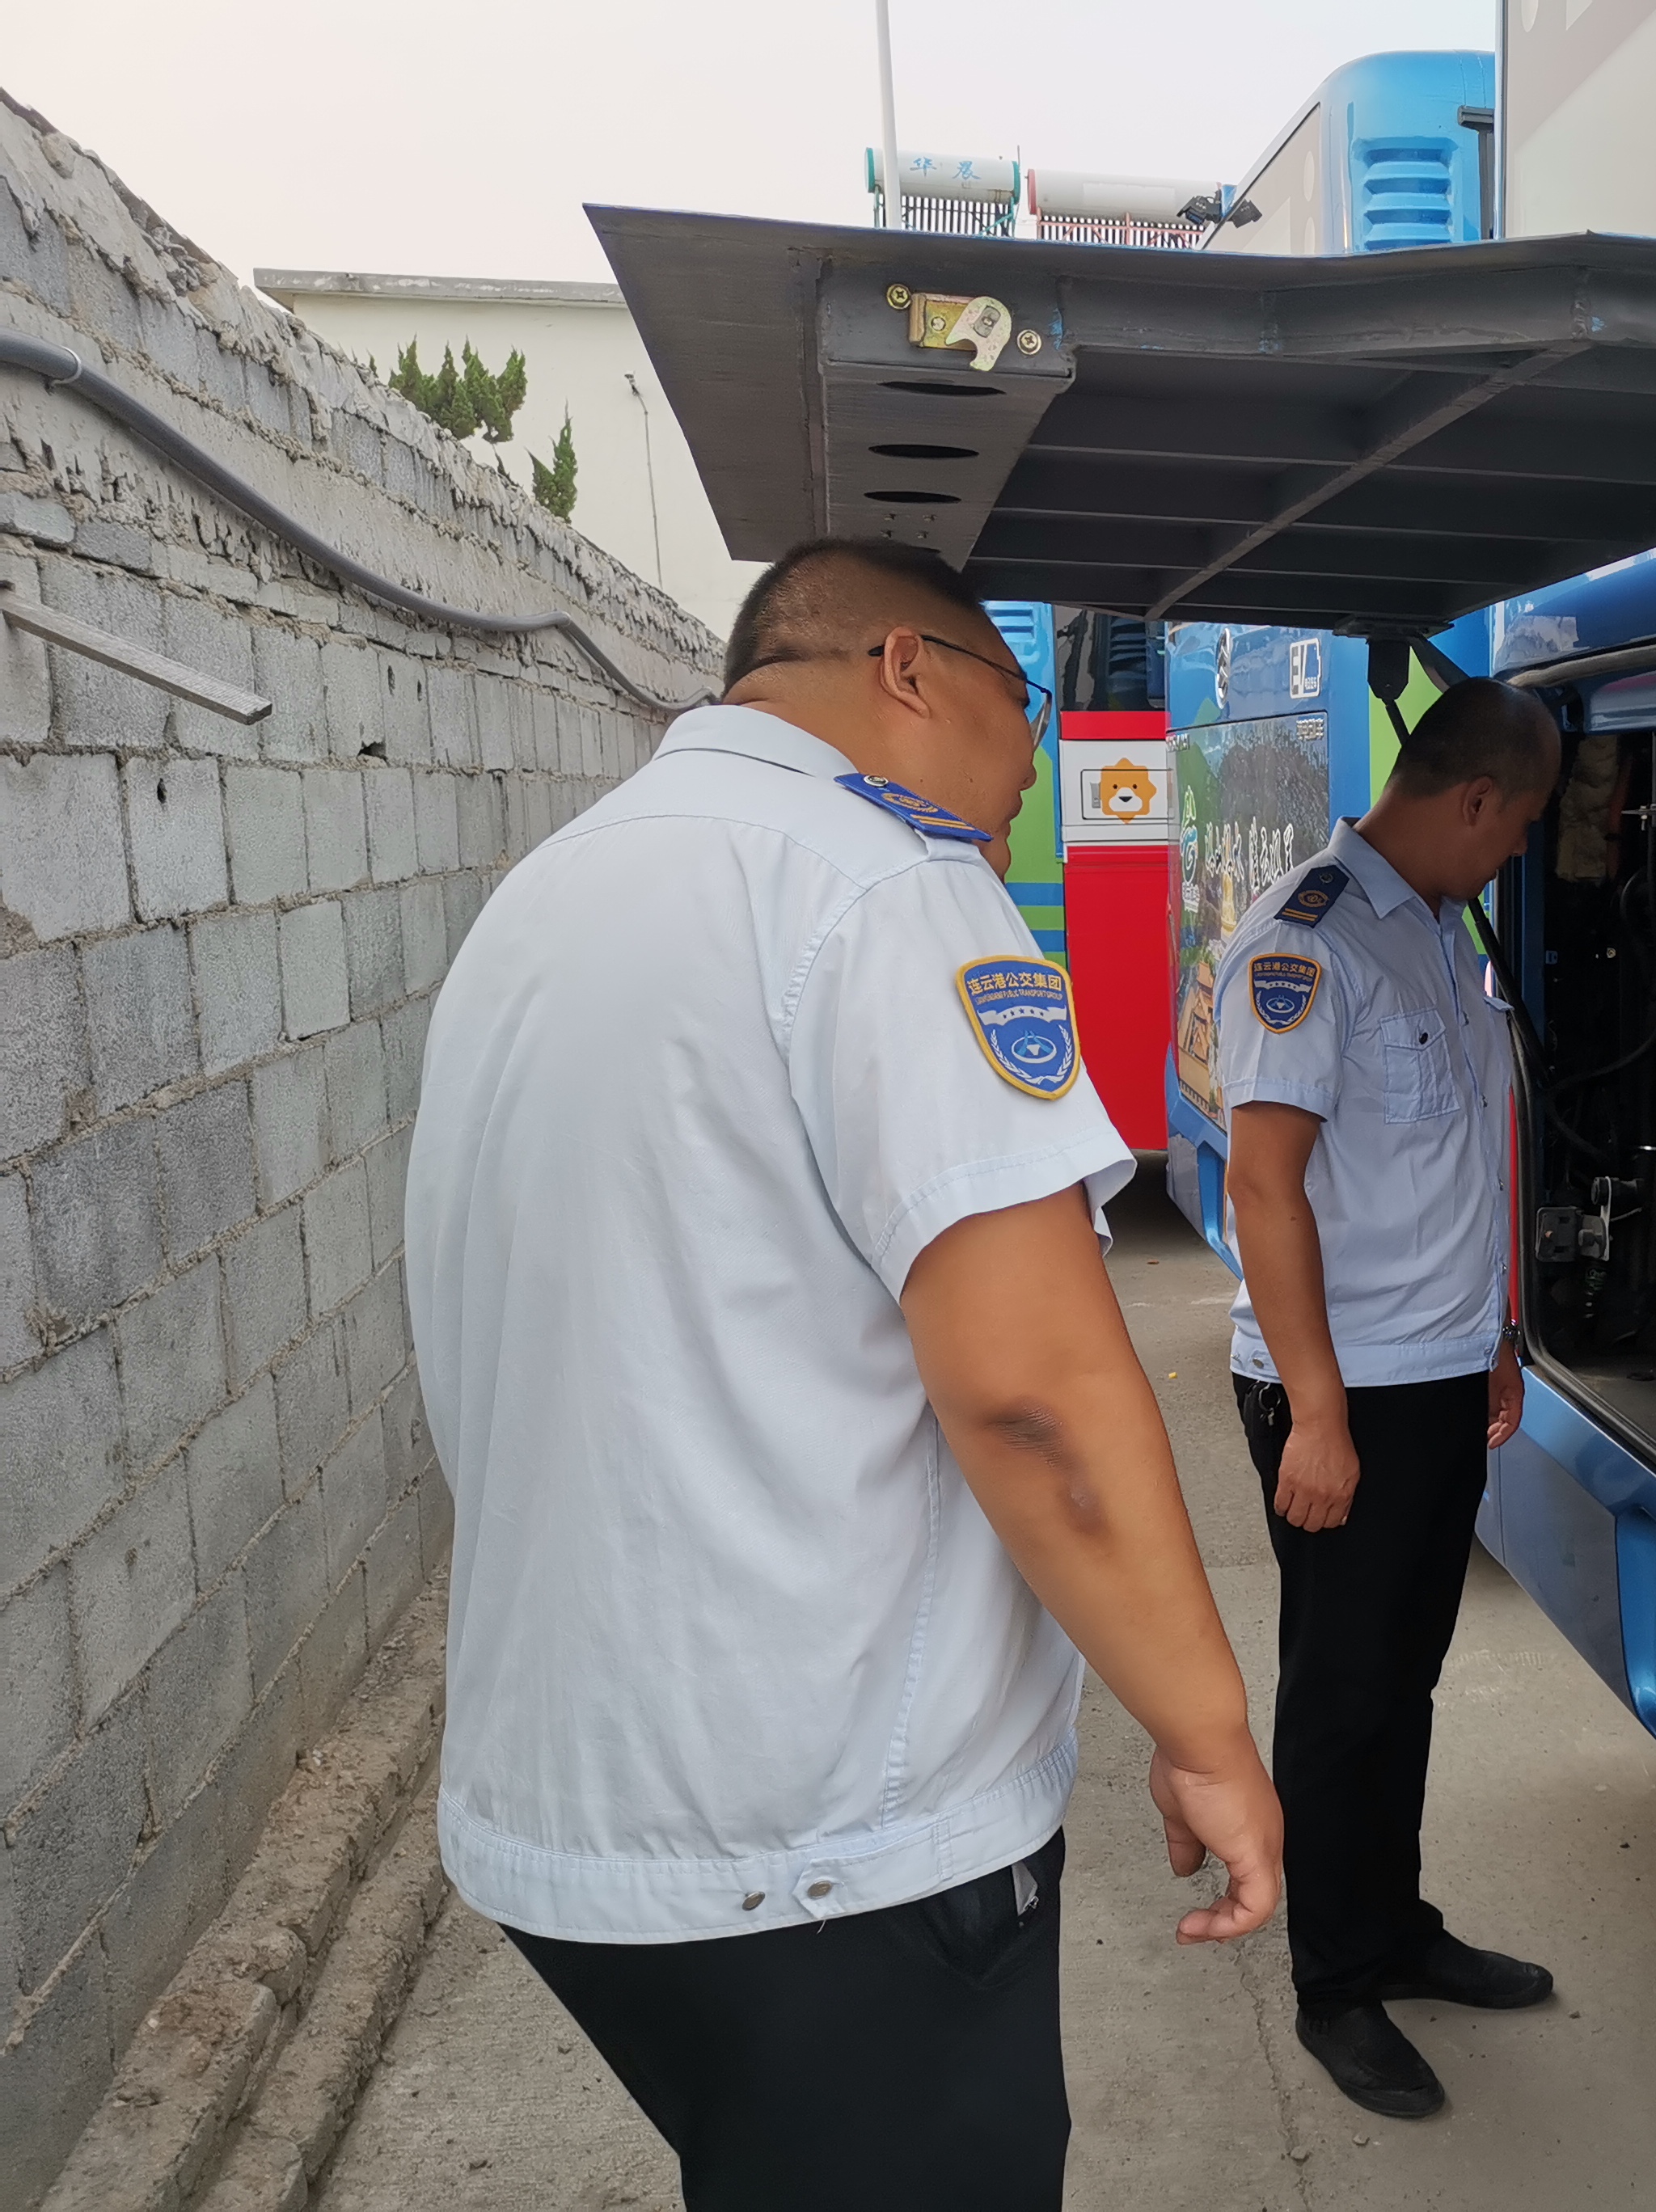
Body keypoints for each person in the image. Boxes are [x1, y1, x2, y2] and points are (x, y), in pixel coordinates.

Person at [403, 539, 1280, 2212]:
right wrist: (1210, 1736)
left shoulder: (562, 883)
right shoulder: (885, 886)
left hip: (578, 1810)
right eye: (1022, 719)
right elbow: (1037, 1395)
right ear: (910, 670)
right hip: (828, 1843)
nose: (1028, 781)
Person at [1213, 677, 1564, 2120]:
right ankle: (1334, 1984)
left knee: (1402, 1678)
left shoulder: (1433, 927)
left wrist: (1495, 1334)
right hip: (1340, 1392)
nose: (1520, 851)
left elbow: (1453, 1160)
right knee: (1341, 1693)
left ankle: (1395, 1927)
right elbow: (1262, 1186)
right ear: (1474, 799)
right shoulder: (1304, 940)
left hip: (1435, 1376)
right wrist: (1317, 1412)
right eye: (1521, 825)